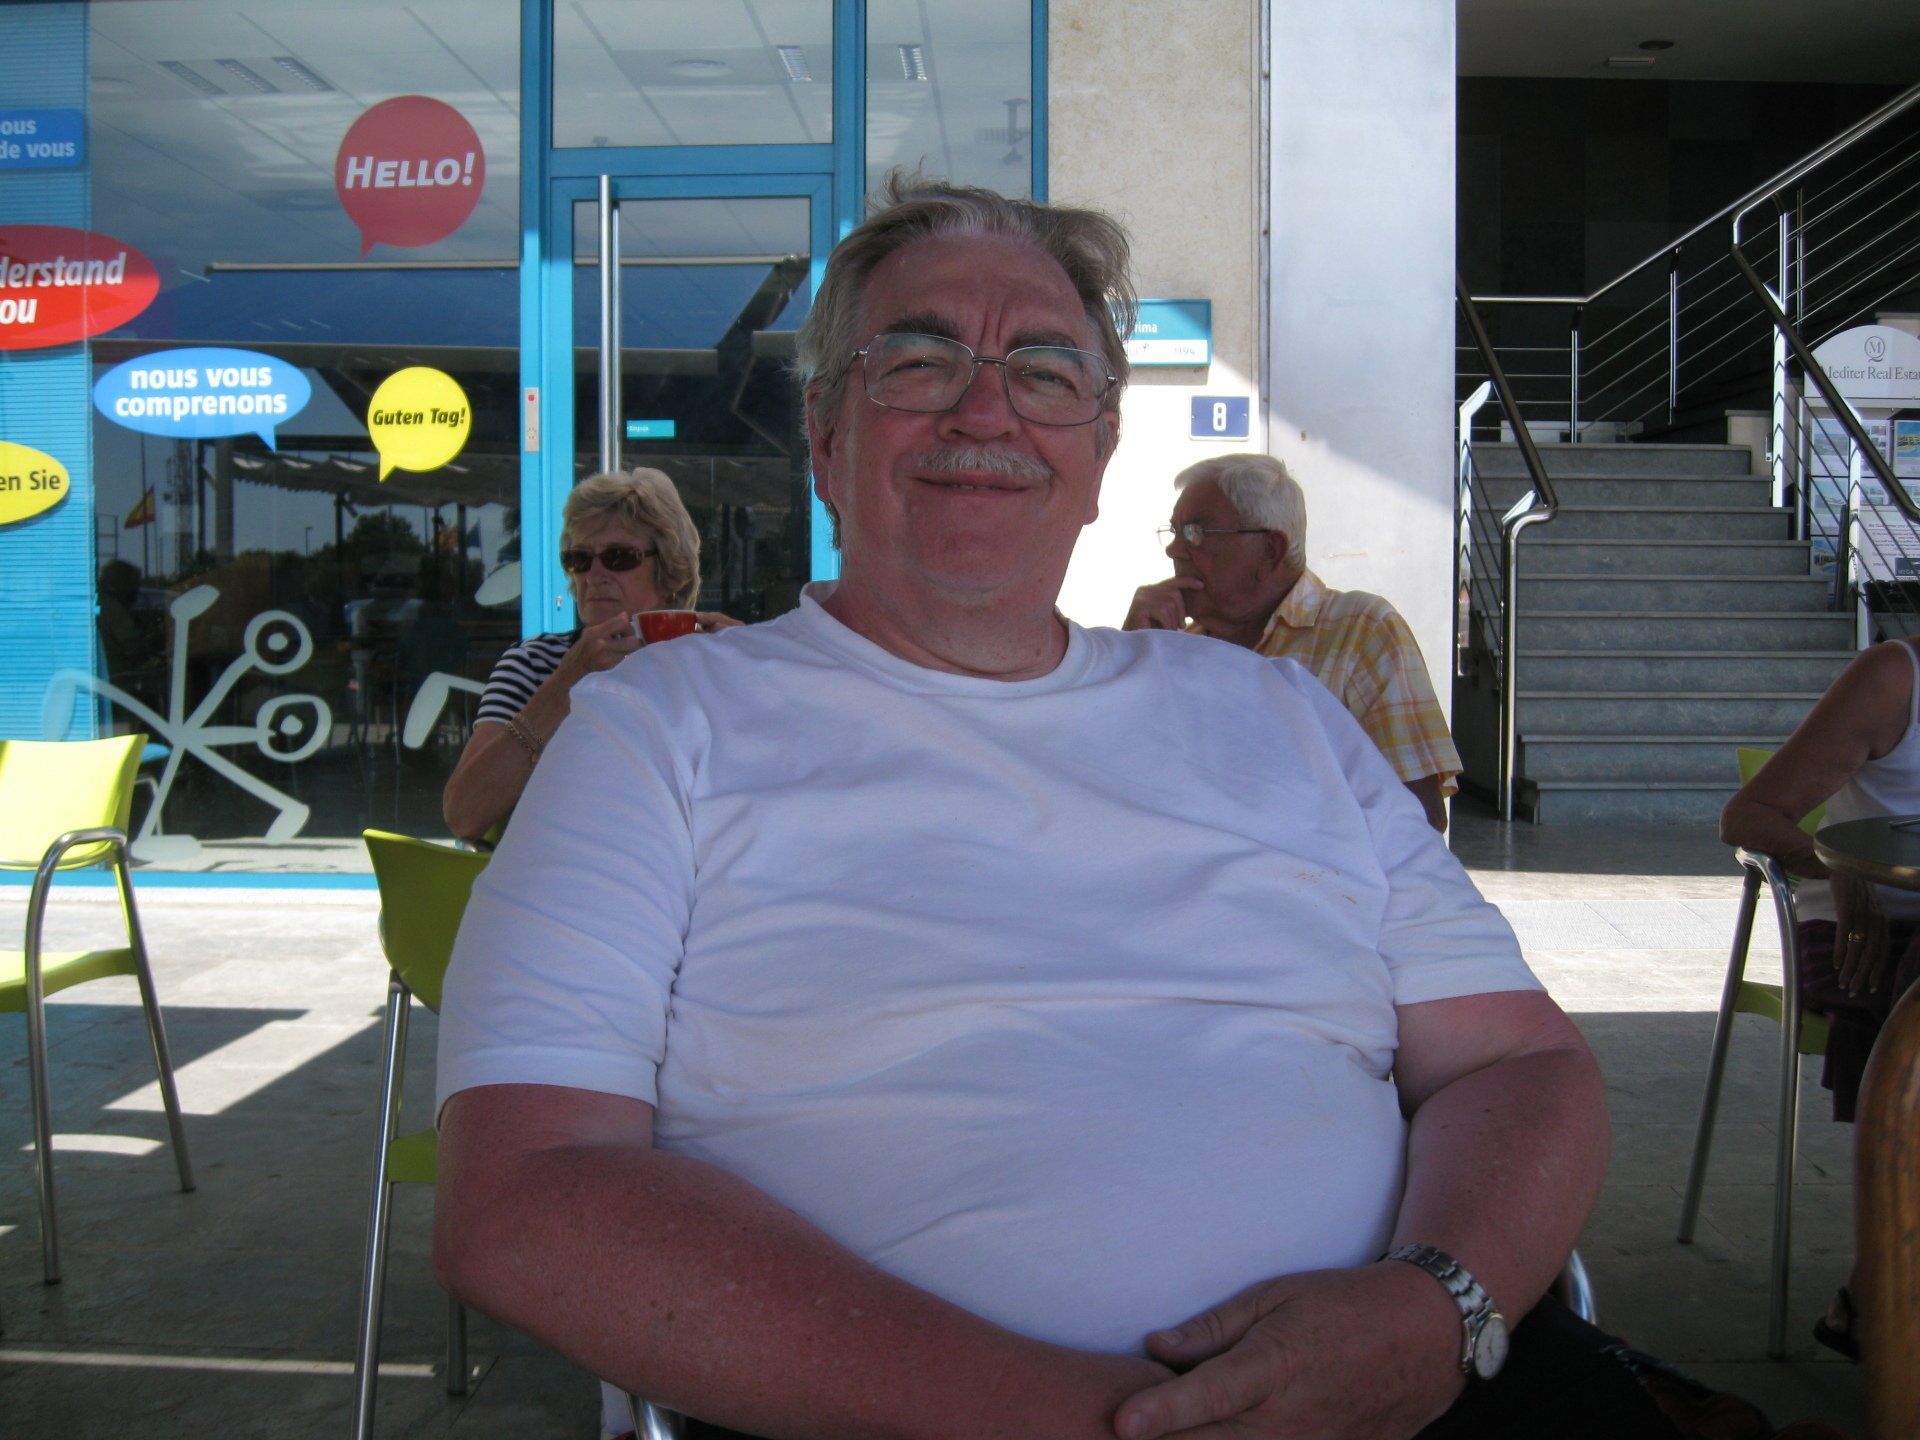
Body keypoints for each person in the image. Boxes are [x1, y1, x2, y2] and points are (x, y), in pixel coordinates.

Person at [431, 176, 1667, 1440]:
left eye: (1044, 371)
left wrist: (1433, 1309)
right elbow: (526, 1191)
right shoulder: (656, 728)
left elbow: (1524, 1065)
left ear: (1099, 453)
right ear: (825, 434)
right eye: (916, 358)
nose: (985, 408)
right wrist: (1127, 1422)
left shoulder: (1276, 716)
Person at [1720, 634, 1920, 1361]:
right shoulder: (1896, 678)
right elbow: (1748, 816)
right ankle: (1881, 1287)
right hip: (1863, 929)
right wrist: (1838, 870)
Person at [1124, 453, 1461, 833]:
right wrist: (1131, 657)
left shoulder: (1359, 632)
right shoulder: (1178, 645)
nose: (1175, 550)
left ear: (1271, 550)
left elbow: (1422, 820)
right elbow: (1121, 782)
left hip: (1322, 888)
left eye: (1197, 533)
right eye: (1174, 531)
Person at [441, 468, 738, 843]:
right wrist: (566, 685)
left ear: (669, 570)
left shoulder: (711, 661)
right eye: (579, 559)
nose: (594, 575)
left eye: (618, 557)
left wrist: (753, 677)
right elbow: (464, 815)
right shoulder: (535, 663)